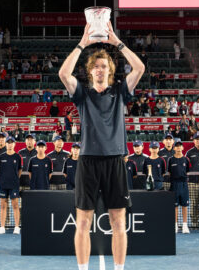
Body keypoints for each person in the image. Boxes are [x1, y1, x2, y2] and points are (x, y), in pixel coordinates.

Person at [59, 21, 145, 270]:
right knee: (83, 223)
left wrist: (117, 42)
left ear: (110, 70)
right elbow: (64, 74)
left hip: (115, 160)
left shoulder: (121, 91)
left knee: (118, 223)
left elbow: (139, 67)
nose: (99, 69)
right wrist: (82, 44)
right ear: (89, 71)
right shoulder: (82, 94)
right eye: (95, 66)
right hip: (88, 161)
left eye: (104, 66)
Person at [0, 136, 22, 235]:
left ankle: (16, 226)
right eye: (8, 142)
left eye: (12, 143)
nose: (10, 144)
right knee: (3, 205)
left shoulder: (18, 157)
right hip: (2, 184)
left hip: (14, 185)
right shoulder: (1, 157)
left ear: (14, 144)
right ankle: (2, 226)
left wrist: (15, 179)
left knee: (15, 205)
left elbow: (19, 170)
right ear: (5, 144)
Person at [168, 139, 191, 233]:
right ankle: (175, 225)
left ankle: (185, 225)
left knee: (184, 205)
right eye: (176, 146)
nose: (178, 147)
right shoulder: (170, 159)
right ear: (174, 148)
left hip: (184, 185)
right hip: (174, 185)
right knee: (175, 206)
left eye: (180, 146)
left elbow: (188, 171)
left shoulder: (186, 159)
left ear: (182, 147)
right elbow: (169, 172)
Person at [185, 133, 199, 227]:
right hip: (192, 183)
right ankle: (194, 222)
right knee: (193, 204)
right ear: (193, 140)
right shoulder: (189, 153)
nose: (198, 140)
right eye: (196, 139)